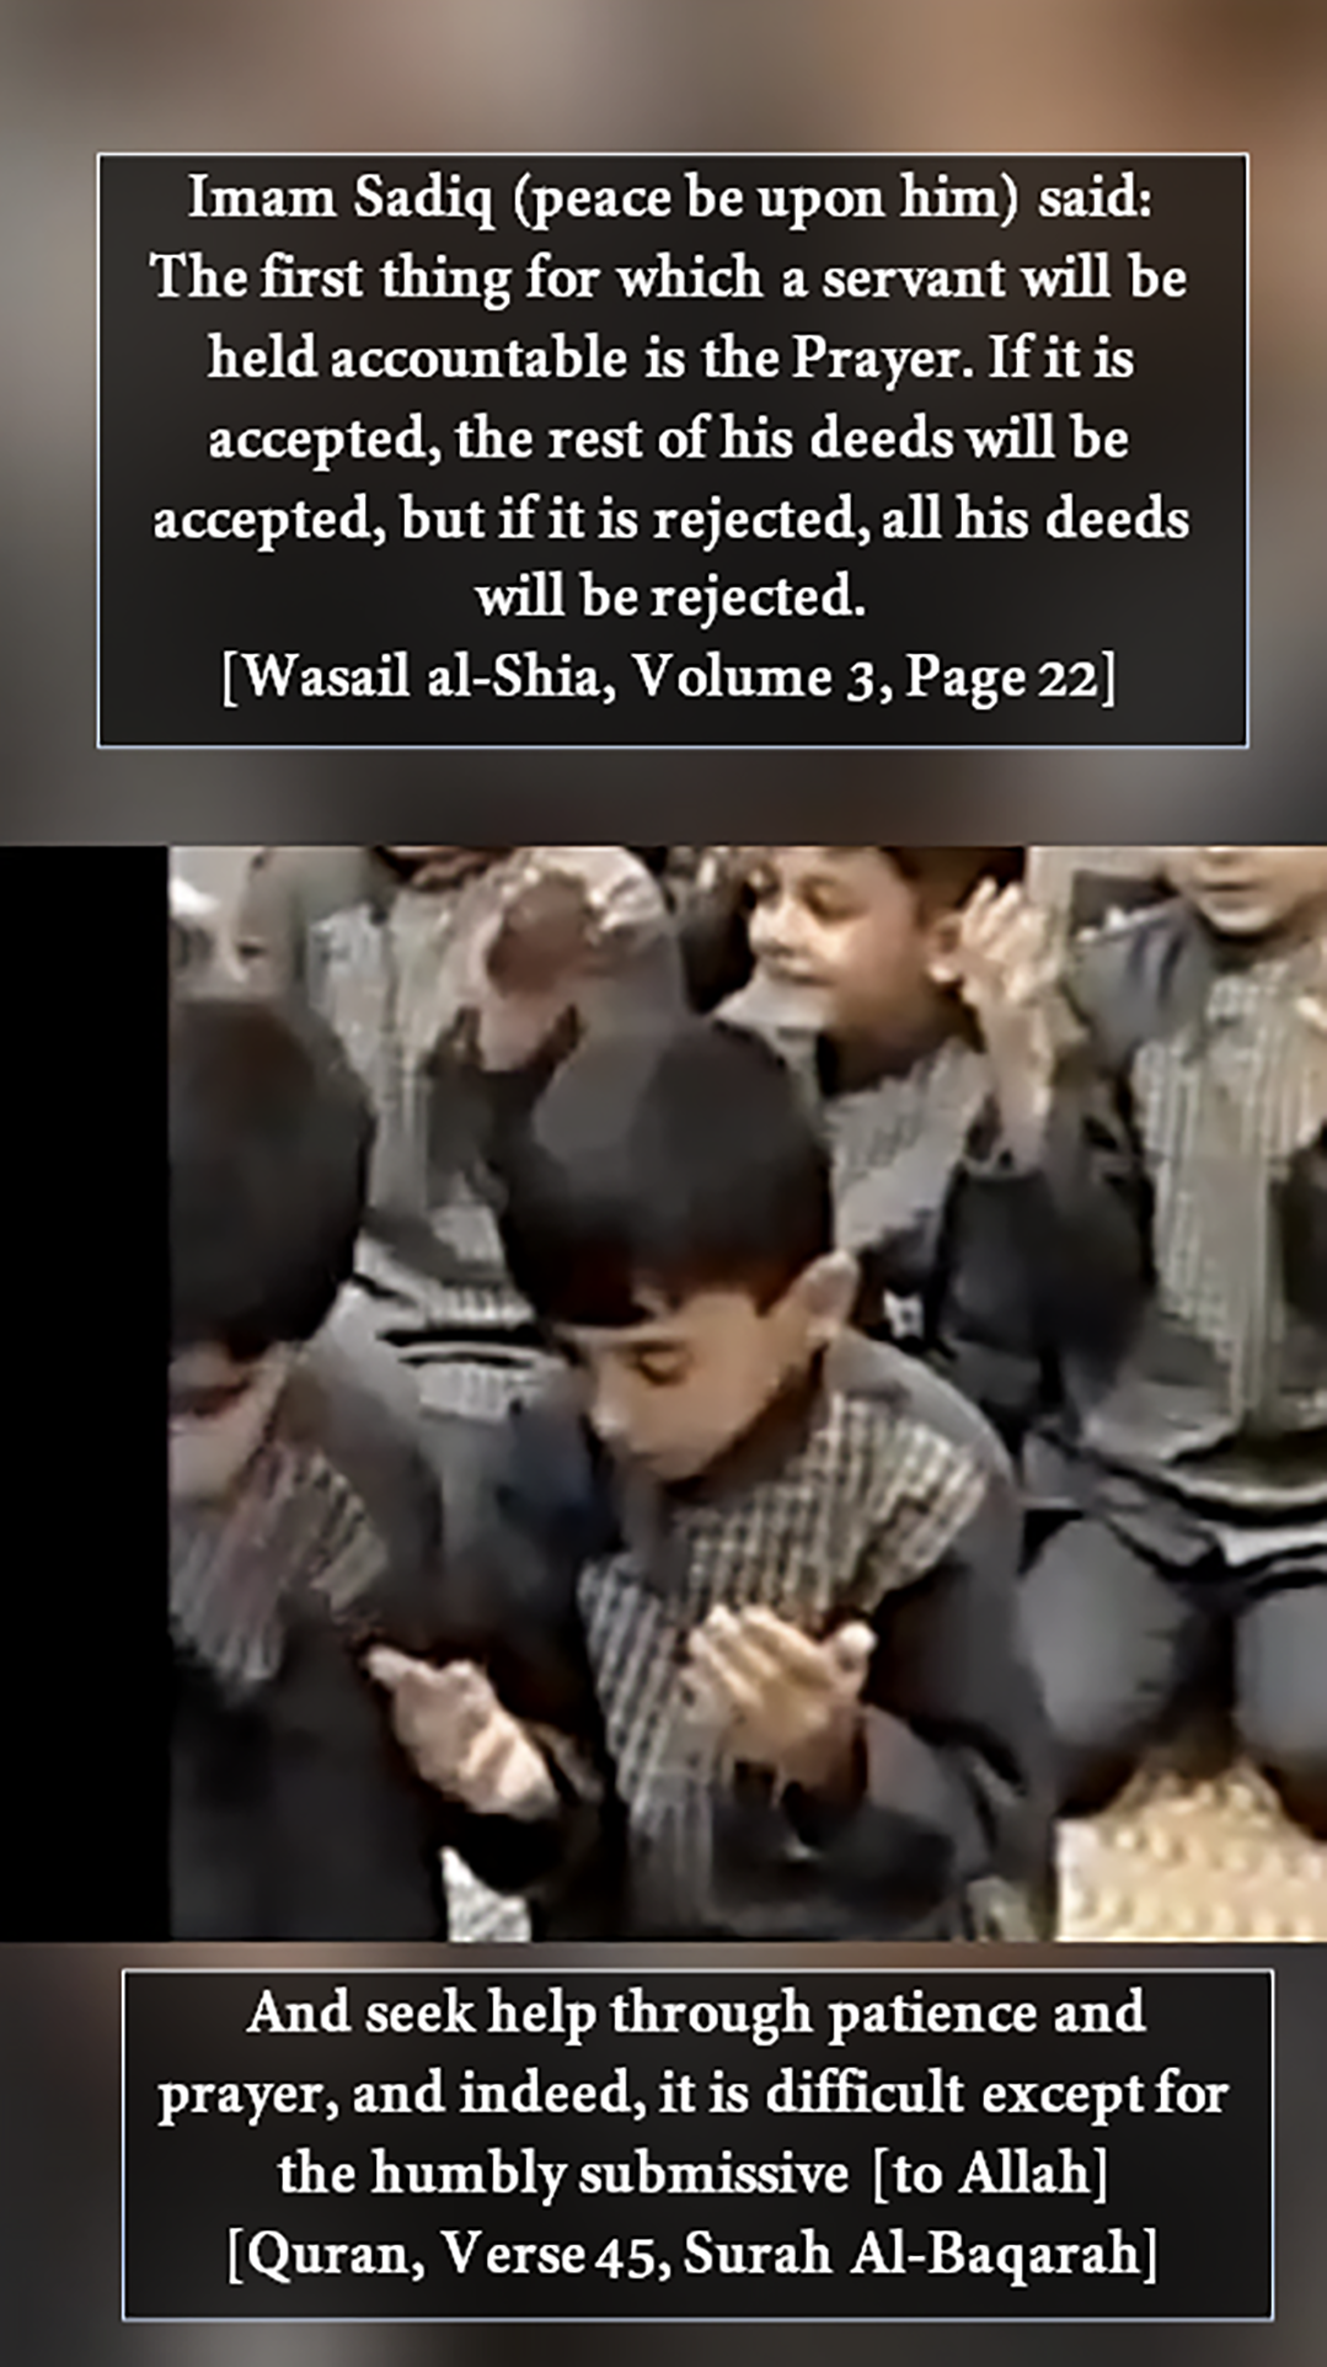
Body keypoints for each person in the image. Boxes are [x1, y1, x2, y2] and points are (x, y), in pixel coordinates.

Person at [368, 1019, 1055, 1942]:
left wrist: (837, 1758)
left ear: (815, 1305)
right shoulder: (547, 1452)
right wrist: (519, 1785)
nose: (610, 1413)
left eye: (658, 1365)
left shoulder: (926, 1475)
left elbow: (991, 1836)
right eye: (575, 1356)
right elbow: (567, 1833)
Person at [169, 995, 574, 1939]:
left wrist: (510, 1795)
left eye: (193, 1408)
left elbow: (379, 1847)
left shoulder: (358, 1498)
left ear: (292, 1346)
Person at [236, 845, 685, 1525]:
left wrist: (513, 1029)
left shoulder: (598, 898)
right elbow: (252, 1107)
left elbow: (615, 1190)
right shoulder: (302, 878)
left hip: (513, 1324)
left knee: (464, 1486)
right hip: (335, 1285)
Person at [1020, 846, 1327, 1836]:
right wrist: (1028, 1087)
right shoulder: (1107, 985)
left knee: (1313, 1745)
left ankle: (1255, 1650)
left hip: (1313, 1496)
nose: (1219, 849)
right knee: (1045, 1730)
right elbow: (1078, 1274)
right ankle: (1189, 1648)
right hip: (1139, 1482)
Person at [717, 844, 1133, 1448]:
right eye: (765, 893)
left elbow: (988, 1385)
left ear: (947, 944)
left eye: (825, 907)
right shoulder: (742, 1047)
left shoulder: (994, 1117)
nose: (773, 932)